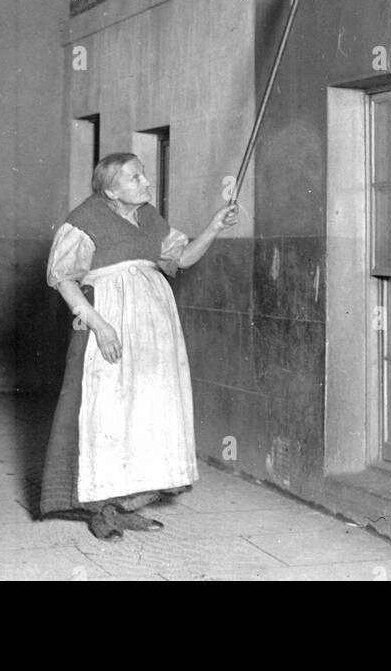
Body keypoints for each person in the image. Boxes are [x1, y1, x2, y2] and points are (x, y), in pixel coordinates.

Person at [39, 151, 238, 539]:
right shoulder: (84, 220)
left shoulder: (149, 217)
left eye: (144, 176)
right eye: (135, 178)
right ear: (111, 190)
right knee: (107, 410)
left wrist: (214, 226)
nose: (147, 183)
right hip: (109, 322)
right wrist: (99, 325)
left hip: (154, 327)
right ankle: (101, 509)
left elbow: (183, 257)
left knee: (145, 410)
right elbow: (63, 278)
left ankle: (127, 503)